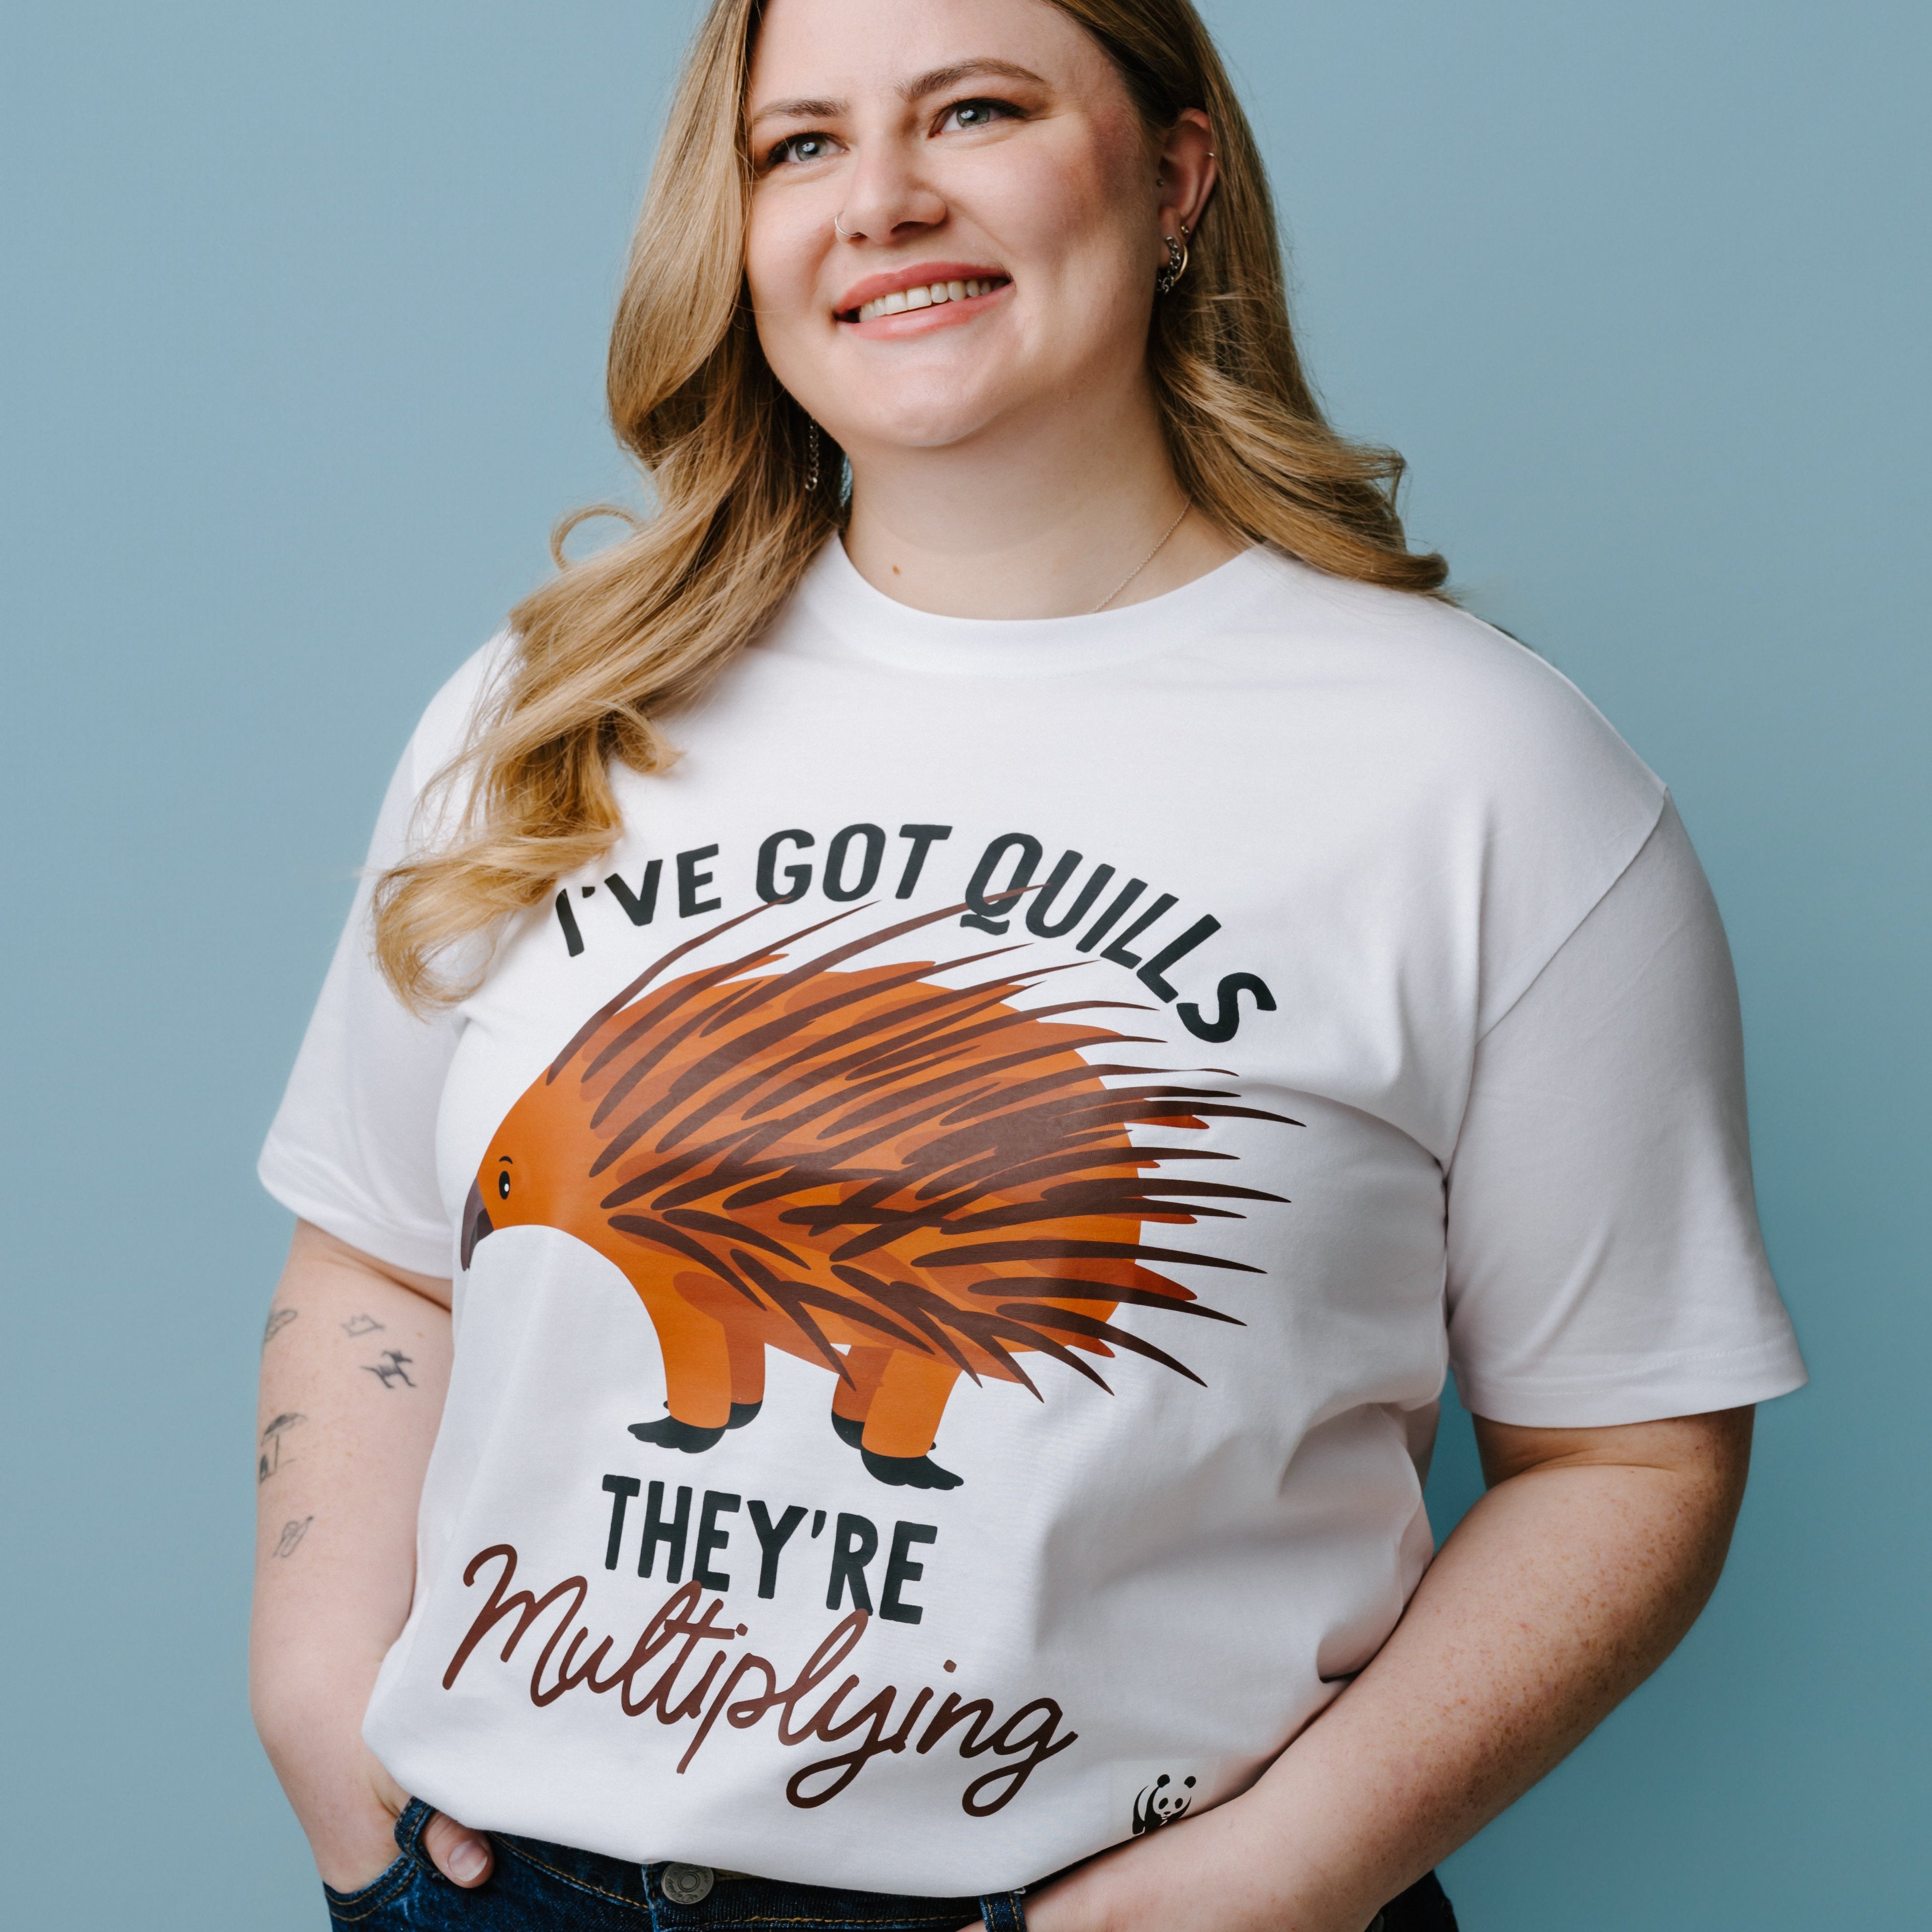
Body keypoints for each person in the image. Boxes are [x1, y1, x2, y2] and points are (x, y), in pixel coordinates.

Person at [250, 1, 1807, 1927]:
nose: (881, 201)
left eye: (973, 112)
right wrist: (322, 1694)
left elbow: (1628, 1448)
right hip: (512, 1888)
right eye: (797, 145)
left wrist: (1287, 1872)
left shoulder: (1487, 775)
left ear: (1173, 175)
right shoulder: (553, 706)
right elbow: (386, 1245)